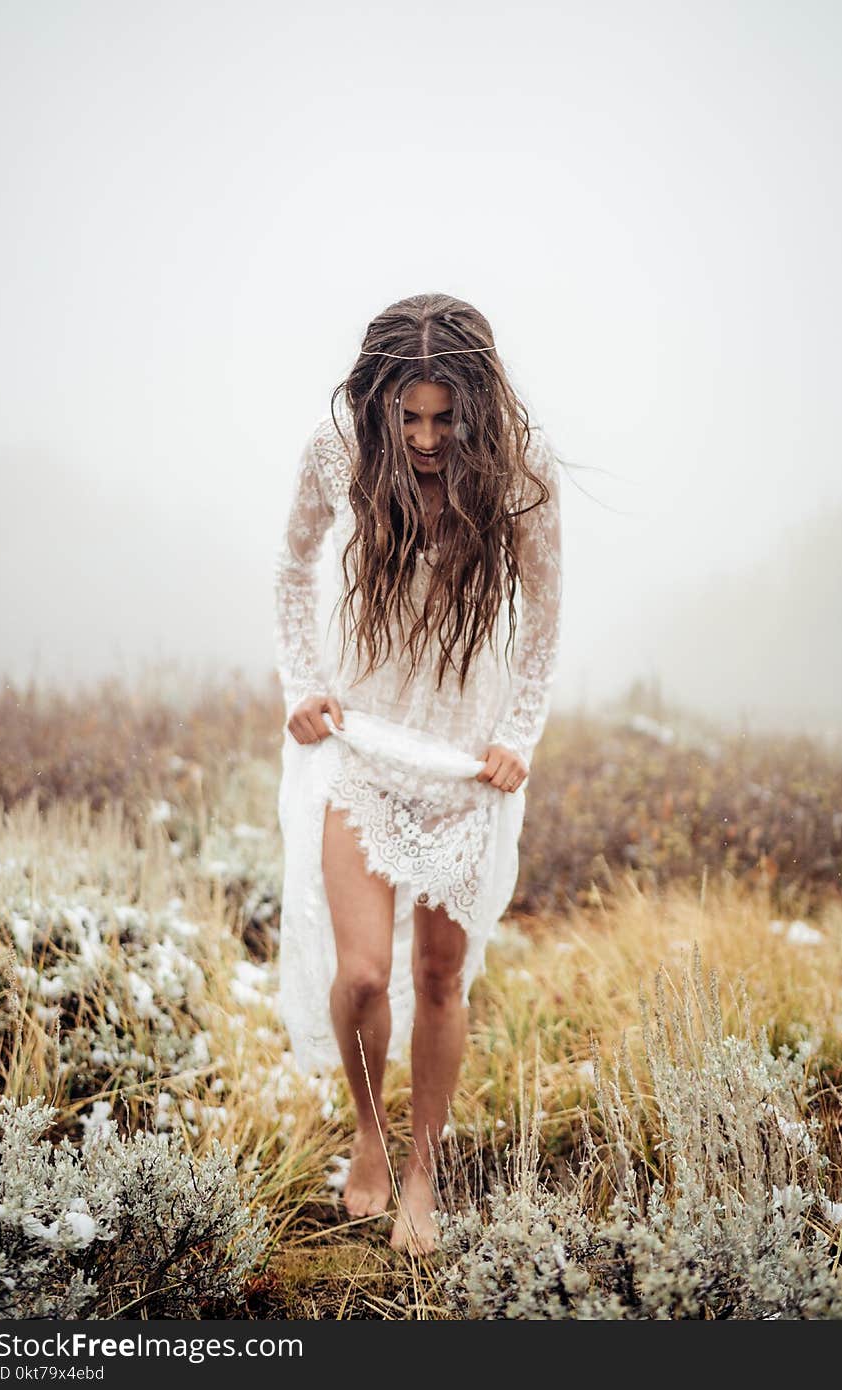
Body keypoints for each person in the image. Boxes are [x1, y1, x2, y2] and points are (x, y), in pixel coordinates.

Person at [273, 292, 563, 1254]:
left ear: (476, 409)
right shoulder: (337, 457)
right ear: (379, 407)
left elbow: (544, 626)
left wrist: (519, 733)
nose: (429, 439)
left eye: (446, 417)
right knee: (362, 978)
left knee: (442, 976)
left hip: (465, 763)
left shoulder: (521, 476)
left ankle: (423, 1173)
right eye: (411, 417)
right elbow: (292, 570)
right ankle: (366, 1130)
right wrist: (305, 685)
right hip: (362, 747)